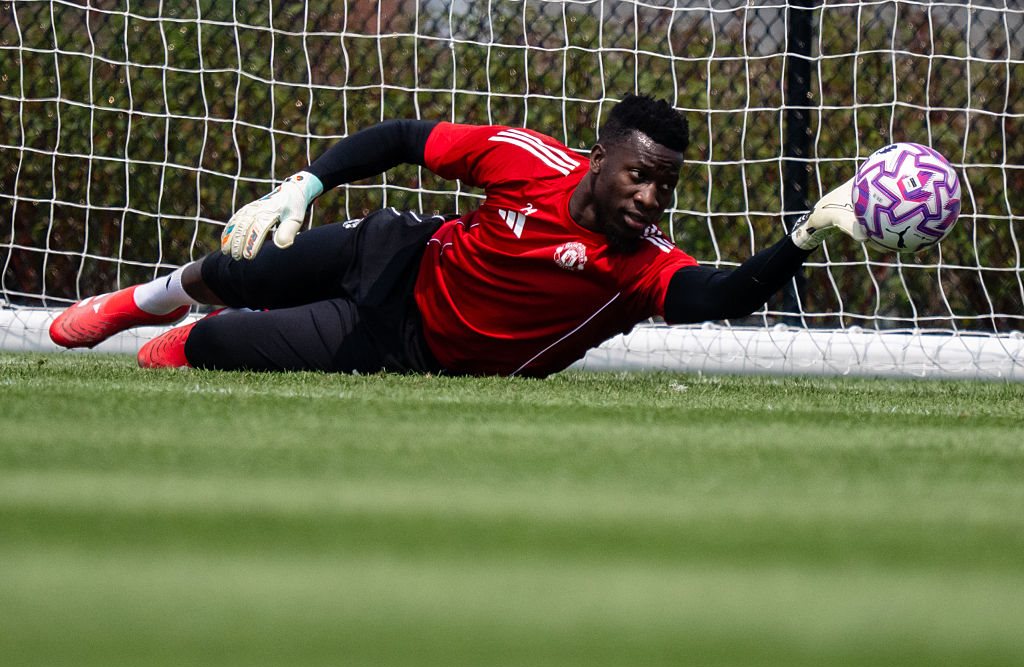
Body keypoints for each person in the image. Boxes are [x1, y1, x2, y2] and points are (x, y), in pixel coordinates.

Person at [49, 95, 864, 377]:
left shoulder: (639, 267)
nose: (652, 197)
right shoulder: (524, 158)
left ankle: (190, 337)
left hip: (408, 342)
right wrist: (305, 185)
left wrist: (800, 238)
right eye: (639, 175)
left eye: (666, 185)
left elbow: (716, 296)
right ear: (599, 156)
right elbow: (406, 136)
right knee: (242, 263)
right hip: (398, 250)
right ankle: (139, 301)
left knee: (219, 347)